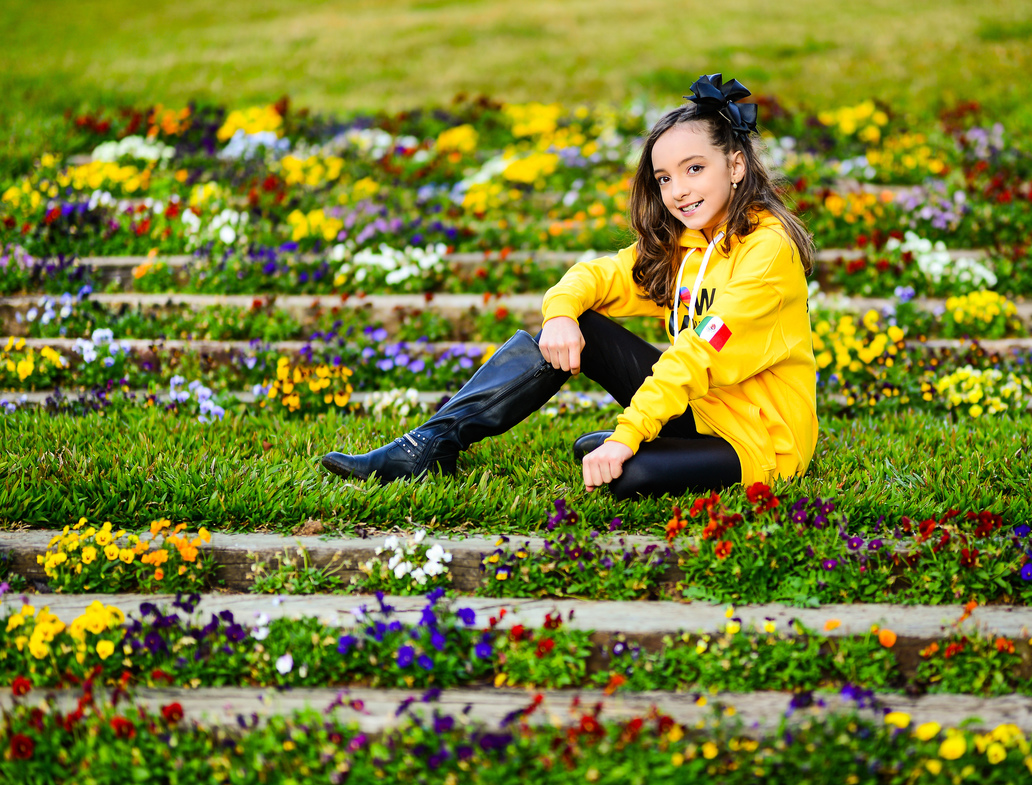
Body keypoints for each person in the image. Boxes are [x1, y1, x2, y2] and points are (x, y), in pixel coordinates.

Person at [321, 73, 818, 500]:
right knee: (579, 326)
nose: (679, 190)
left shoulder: (766, 253)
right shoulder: (688, 243)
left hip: (758, 439)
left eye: (694, 169)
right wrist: (559, 314)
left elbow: (697, 355)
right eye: (664, 178)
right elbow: (596, 275)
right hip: (701, 411)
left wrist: (628, 436)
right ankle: (429, 445)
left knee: (628, 475)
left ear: (735, 166)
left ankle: (644, 449)